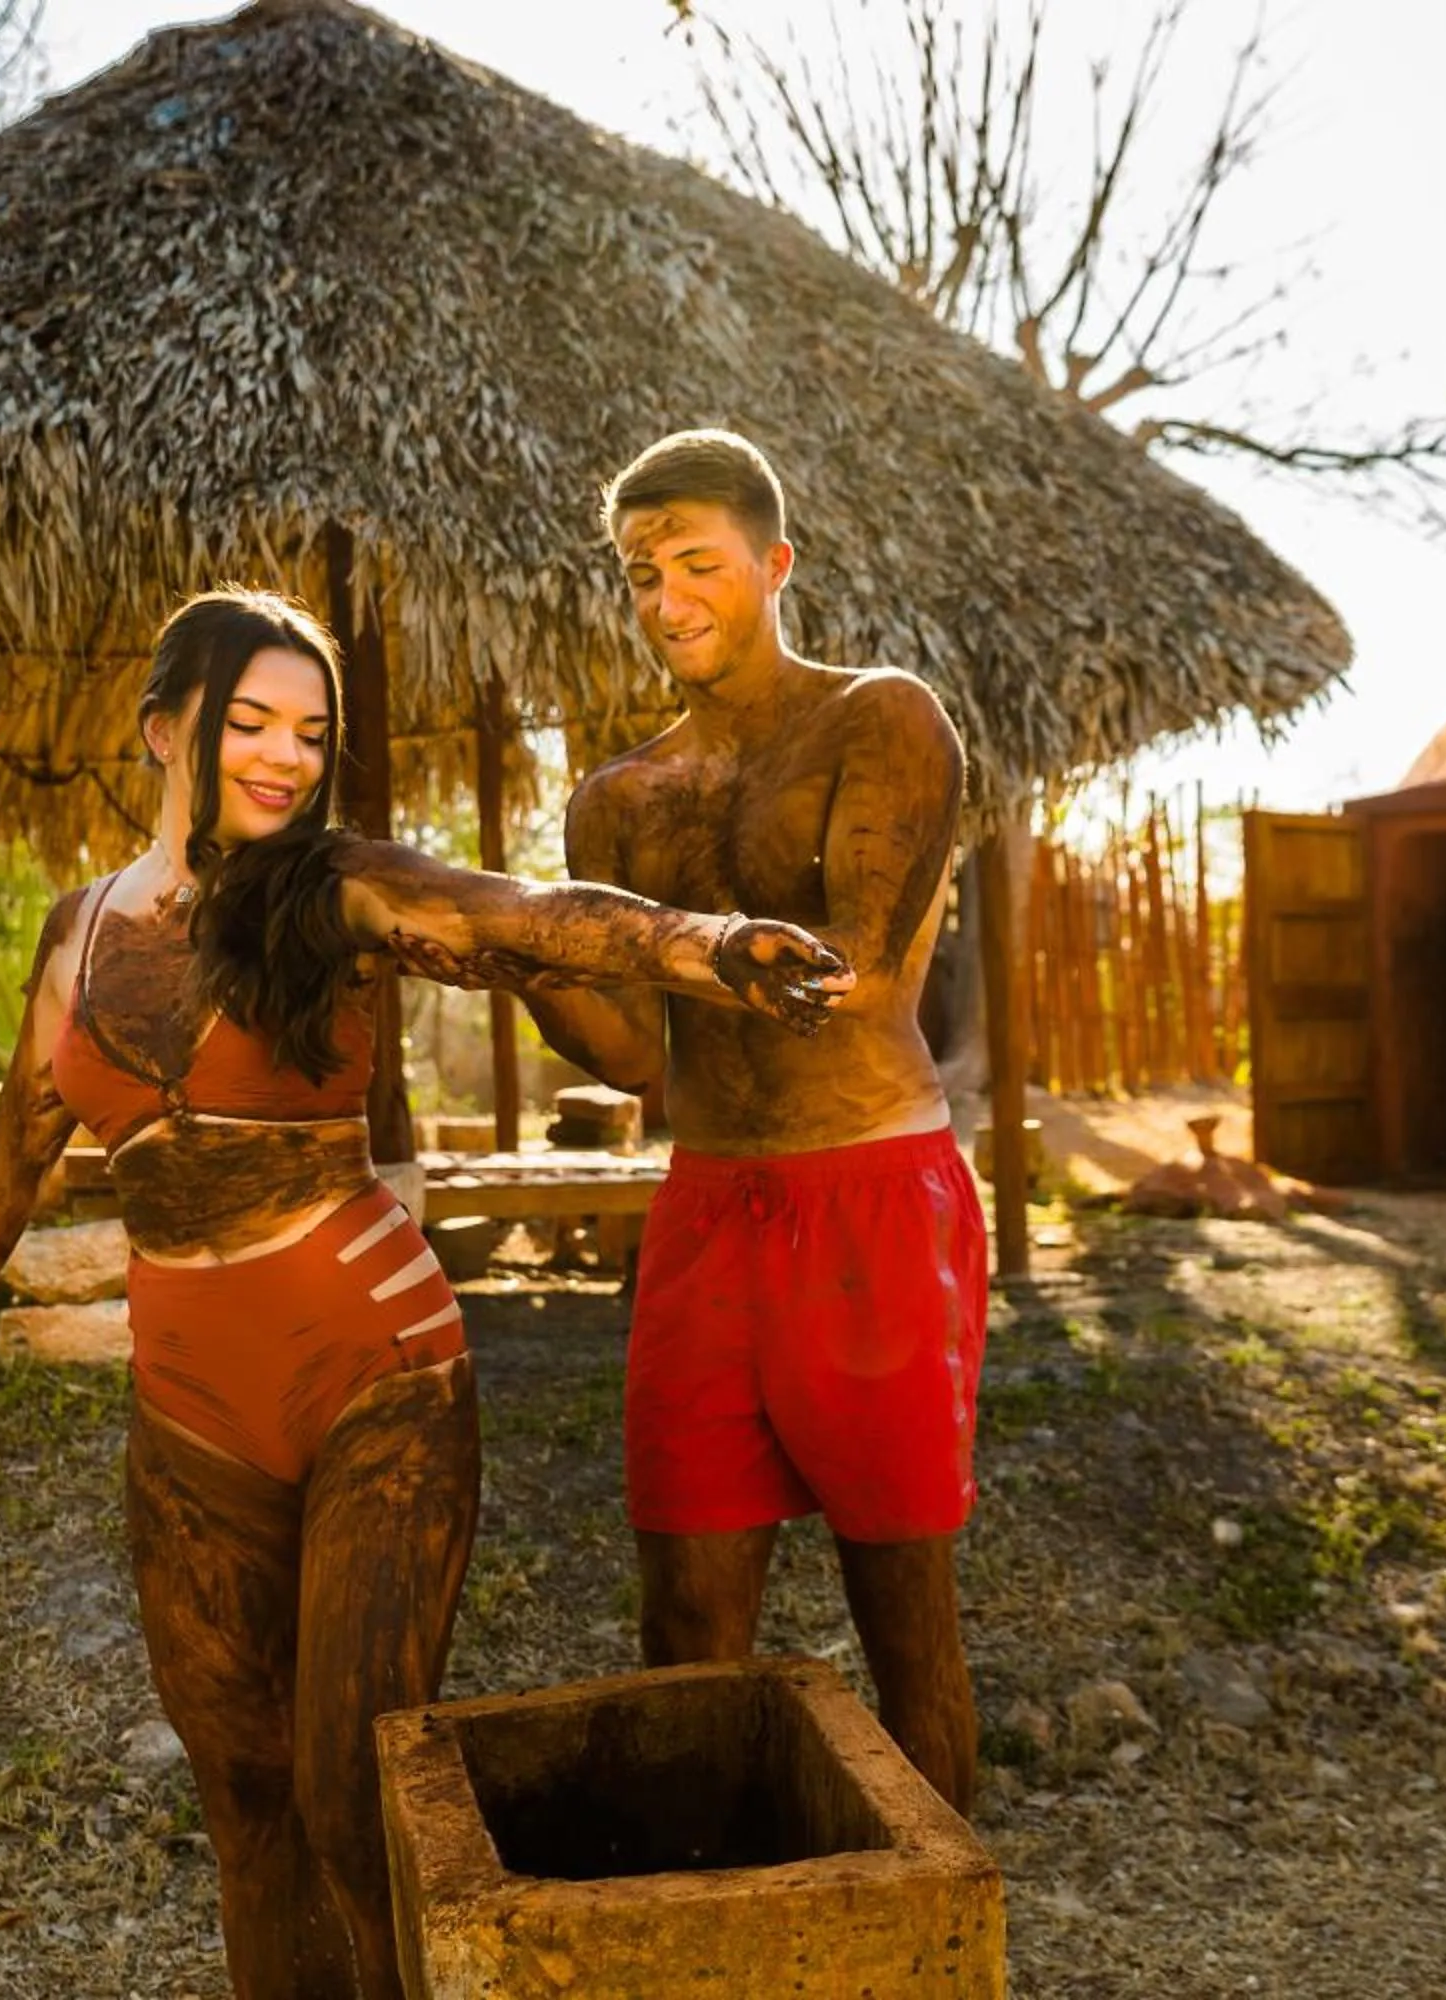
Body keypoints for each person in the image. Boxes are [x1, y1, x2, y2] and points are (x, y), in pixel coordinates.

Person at [0, 585, 846, 2000]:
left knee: (352, 1792)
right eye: (249, 722)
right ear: (161, 731)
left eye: (311, 734)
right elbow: (18, 1150)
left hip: (379, 1377)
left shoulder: (340, 887)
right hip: (189, 1409)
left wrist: (706, 944)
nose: (283, 757)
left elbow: (534, 918)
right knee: (245, 1800)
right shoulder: (76, 934)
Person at [517, 429, 989, 1813]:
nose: (668, 600)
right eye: (640, 573)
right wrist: (534, 965)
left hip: (873, 1200)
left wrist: (689, 943)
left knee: (908, 1628)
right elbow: (633, 1059)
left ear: (774, 564)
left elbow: (856, 971)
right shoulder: (611, 804)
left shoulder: (882, 718)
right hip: (709, 1209)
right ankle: (715, 1930)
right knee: (684, 1625)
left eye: (699, 565)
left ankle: (934, 1946)